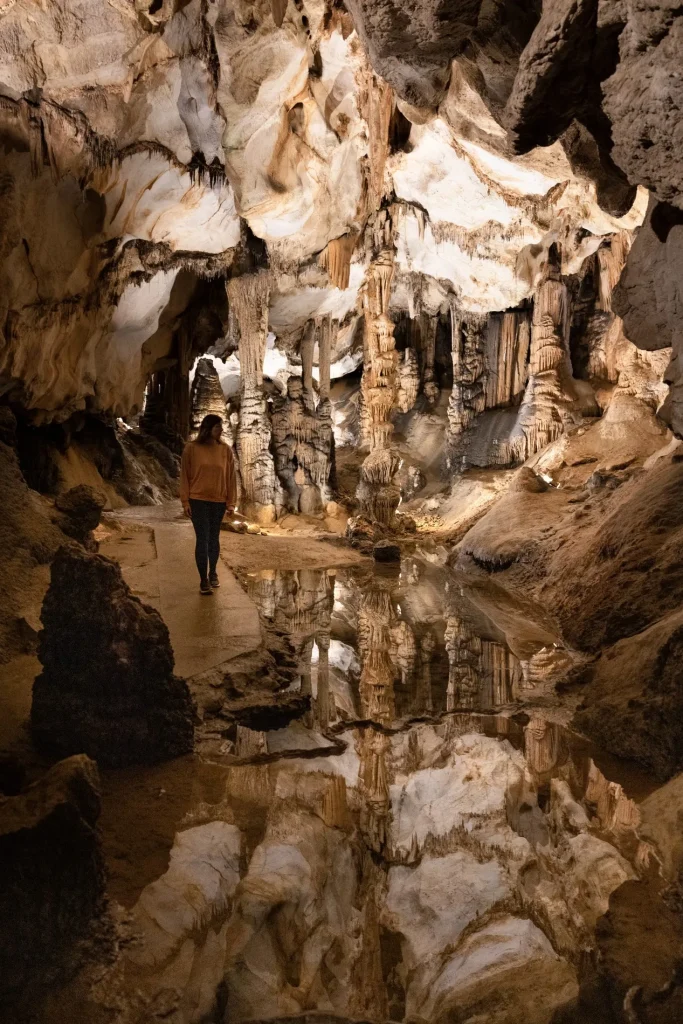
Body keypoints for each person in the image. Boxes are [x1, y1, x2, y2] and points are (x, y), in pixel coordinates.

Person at [180, 414, 238, 595]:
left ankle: (213, 572)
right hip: (197, 500)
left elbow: (231, 478)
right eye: (217, 427)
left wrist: (231, 502)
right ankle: (203, 579)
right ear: (207, 429)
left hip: (218, 501)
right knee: (202, 539)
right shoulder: (191, 449)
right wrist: (185, 501)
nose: (221, 430)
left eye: (221, 427)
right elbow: (184, 476)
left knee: (213, 539)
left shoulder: (225, 450)